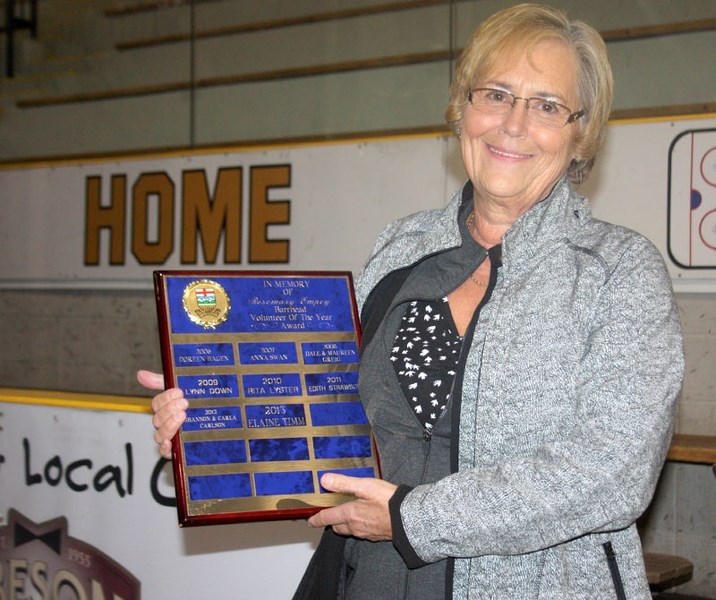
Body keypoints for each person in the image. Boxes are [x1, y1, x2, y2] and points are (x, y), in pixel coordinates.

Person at [139, 4, 685, 598]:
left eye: (547, 105)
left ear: (581, 132)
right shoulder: (402, 247)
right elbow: (325, 410)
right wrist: (215, 427)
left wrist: (412, 517)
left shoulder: (618, 271)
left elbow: (612, 472)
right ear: (462, 110)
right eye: (495, 94)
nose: (513, 123)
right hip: (366, 578)